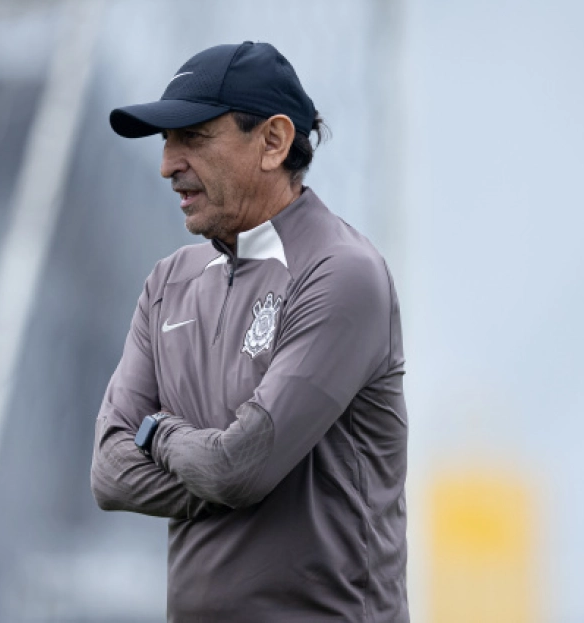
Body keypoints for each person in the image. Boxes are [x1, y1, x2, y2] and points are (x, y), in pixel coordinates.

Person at [91, 41, 408, 622]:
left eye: (193, 137)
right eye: (166, 141)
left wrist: (160, 438)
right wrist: (225, 469)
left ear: (273, 141)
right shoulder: (169, 282)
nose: (167, 164)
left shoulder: (342, 273)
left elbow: (239, 470)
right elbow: (110, 472)